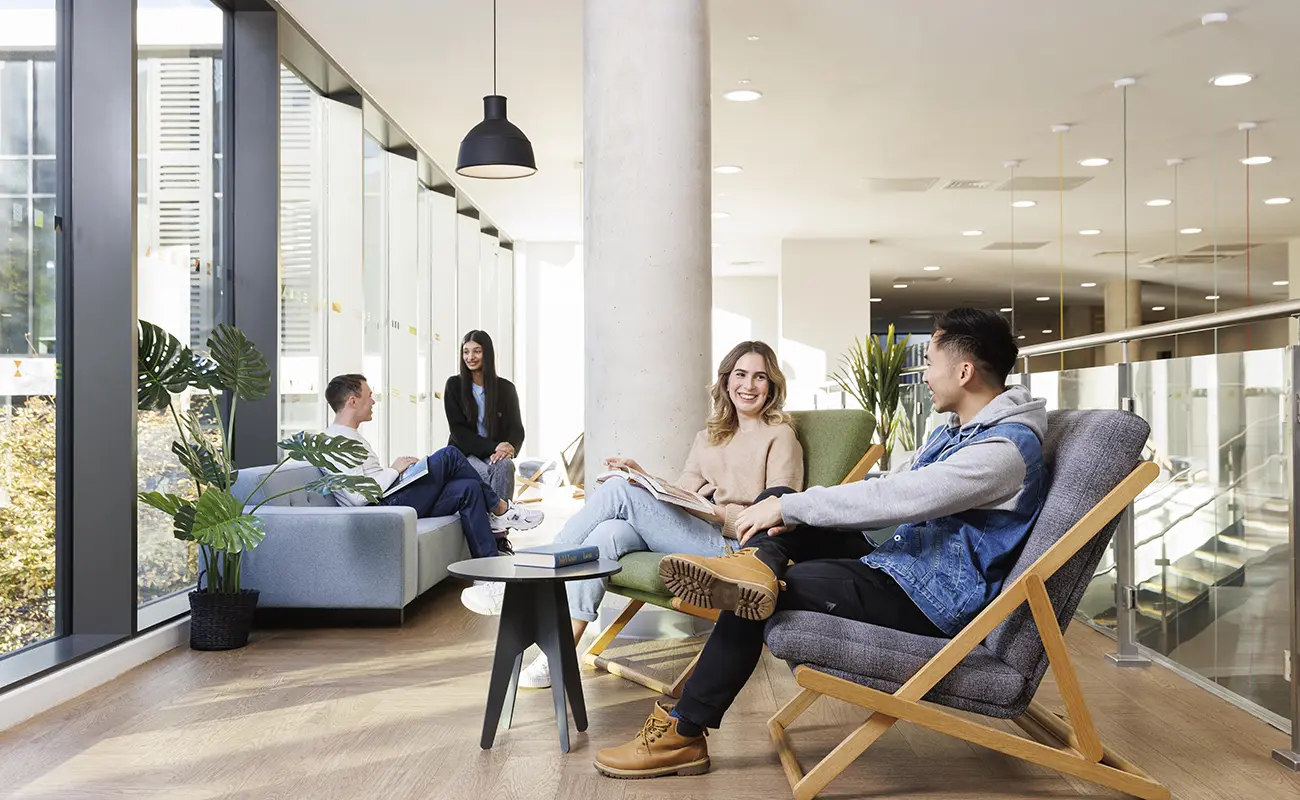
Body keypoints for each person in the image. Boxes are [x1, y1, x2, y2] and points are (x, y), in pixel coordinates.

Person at [592, 308, 1049, 780]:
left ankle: (682, 733)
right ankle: (753, 569)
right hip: (902, 565)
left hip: (929, 599)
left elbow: (899, 497)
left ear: (964, 371)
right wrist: (787, 507)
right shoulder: (960, 432)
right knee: (779, 504)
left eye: (929, 363)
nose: (925, 376)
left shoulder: (1002, 451)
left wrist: (792, 510)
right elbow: (892, 488)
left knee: (764, 588)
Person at [461, 341, 804, 691]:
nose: (749, 385)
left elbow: (781, 516)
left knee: (619, 492)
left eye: (760, 377)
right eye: (741, 375)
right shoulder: (709, 437)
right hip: (696, 530)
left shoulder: (780, 436)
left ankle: (524, 577)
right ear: (726, 381)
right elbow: (681, 493)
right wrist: (647, 479)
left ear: (772, 385)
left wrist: (718, 514)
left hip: (736, 549)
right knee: (607, 534)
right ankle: (559, 655)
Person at [324, 373, 543, 558]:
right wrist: (394, 470)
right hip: (379, 510)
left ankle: (487, 567)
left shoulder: (351, 435)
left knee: (469, 487)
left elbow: (368, 480)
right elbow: (357, 497)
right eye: (369, 396)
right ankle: (501, 509)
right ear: (353, 401)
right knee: (450, 454)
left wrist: (401, 474)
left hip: (389, 499)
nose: (373, 402)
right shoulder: (335, 441)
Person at [444, 331, 524, 503]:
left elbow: (516, 429)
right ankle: (500, 516)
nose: (470, 357)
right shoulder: (454, 385)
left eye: (477, 351)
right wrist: (496, 447)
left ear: (487, 353)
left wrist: (509, 448)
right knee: (489, 473)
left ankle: (499, 524)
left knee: (505, 466)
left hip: (493, 452)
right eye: (466, 351)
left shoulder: (506, 388)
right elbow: (459, 433)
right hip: (464, 454)